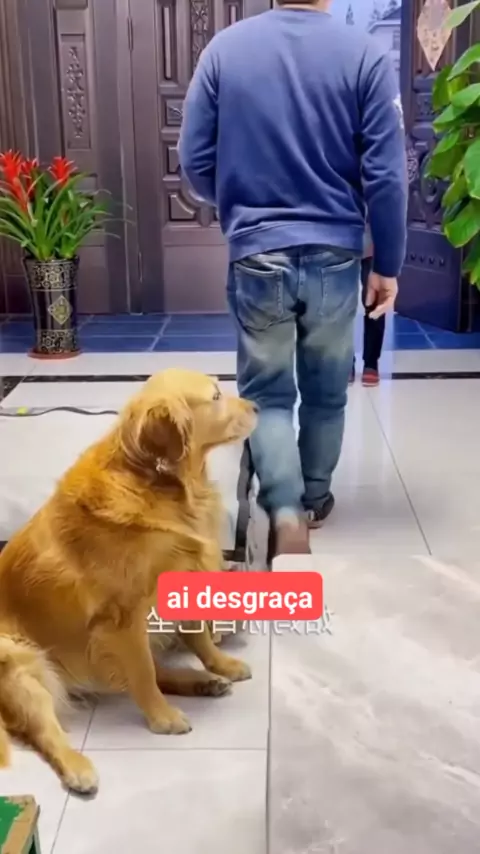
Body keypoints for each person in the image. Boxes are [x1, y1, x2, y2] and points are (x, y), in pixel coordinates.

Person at [178, 0, 407, 556]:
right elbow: (386, 174)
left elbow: (193, 158)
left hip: (258, 254)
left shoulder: (224, 51)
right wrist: (388, 264)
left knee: (268, 394)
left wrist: (237, 205)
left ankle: (284, 512)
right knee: (327, 390)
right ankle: (316, 498)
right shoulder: (365, 56)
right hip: (336, 256)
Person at [350, 229, 386, 387]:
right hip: (340, 241)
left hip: (374, 240)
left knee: (375, 302)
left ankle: (371, 362)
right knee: (340, 306)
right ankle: (344, 361)